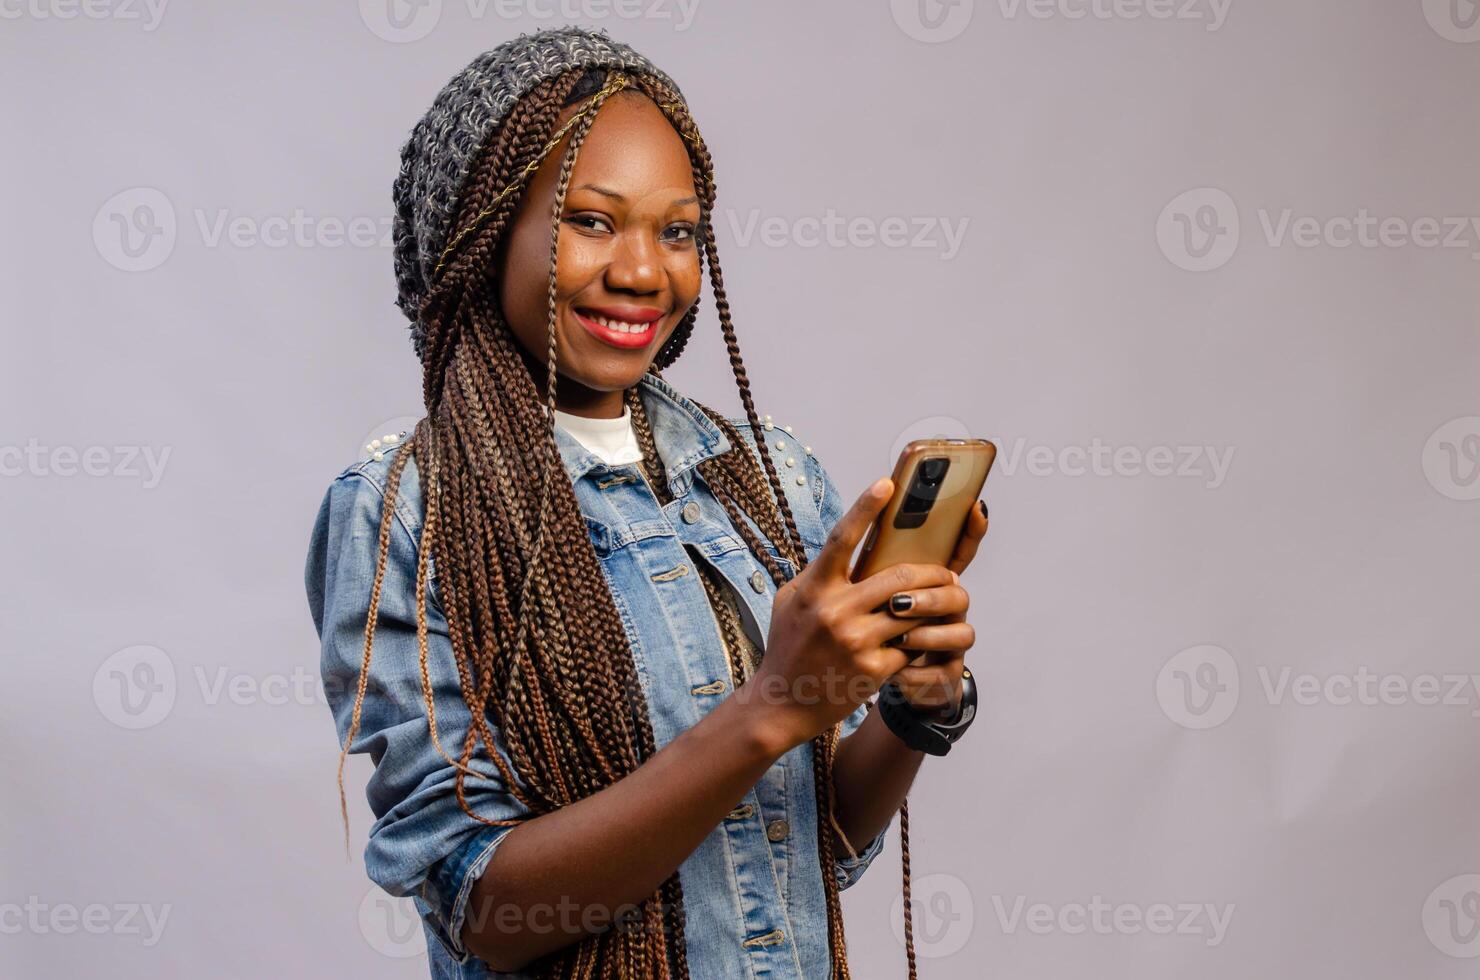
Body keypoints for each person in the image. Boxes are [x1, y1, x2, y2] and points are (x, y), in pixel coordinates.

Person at [304, 25, 989, 980]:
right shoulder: (408, 508)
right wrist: (773, 704)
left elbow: (815, 843)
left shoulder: (768, 476)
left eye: (679, 230)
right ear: (483, 228)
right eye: (592, 220)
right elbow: (489, 908)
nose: (643, 271)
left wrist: (915, 705)